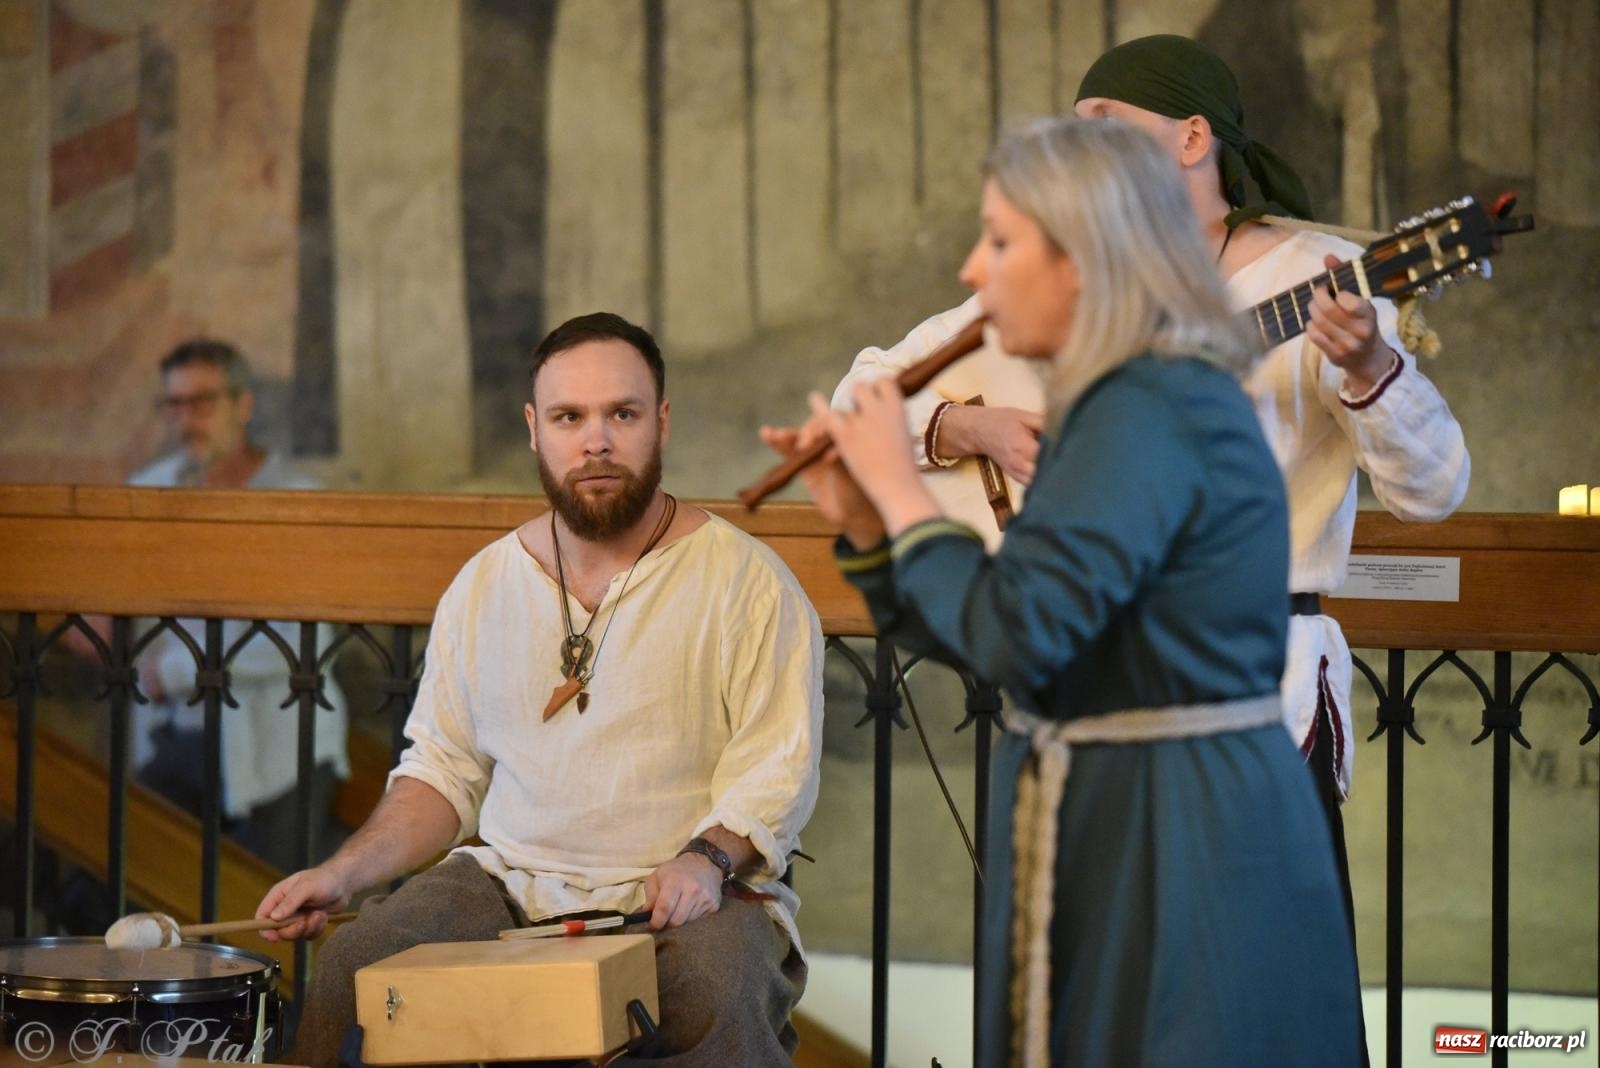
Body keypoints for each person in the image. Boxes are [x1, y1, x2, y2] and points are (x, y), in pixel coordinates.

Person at [832, 32, 1469, 953]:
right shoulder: (1065, 276)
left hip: (1250, 691)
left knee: (1249, 986)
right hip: (1083, 690)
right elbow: (864, 393)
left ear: (1192, 138)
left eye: (1108, 125)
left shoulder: (1312, 278)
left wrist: (1370, 362)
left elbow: (1435, 490)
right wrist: (975, 428)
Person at [767, 117, 1360, 1066]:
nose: (972, 269)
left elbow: (1019, 633)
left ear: (1085, 257)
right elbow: (1001, 622)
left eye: (1000, 241)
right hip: (1134, 810)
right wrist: (874, 530)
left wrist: (904, 491)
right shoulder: (1128, 399)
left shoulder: (1151, 407)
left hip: (1177, 831)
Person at [258, 313, 823, 1067]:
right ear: (535, 429)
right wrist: (340, 873)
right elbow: (441, 772)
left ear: (660, 421)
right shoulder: (486, 583)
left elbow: (773, 775)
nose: (596, 441)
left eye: (621, 414)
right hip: (509, 883)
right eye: (569, 417)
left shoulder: (747, 581)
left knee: (711, 988)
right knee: (356, 972)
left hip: (687, 892)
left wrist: (706, 862)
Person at [123, 340, 350, 871]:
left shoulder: (298, 500)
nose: (185, 420)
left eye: (201, 403)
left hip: (282, 742)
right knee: (120, 892)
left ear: (242, 405)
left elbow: (302, 644)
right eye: (173, 405)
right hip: (180, 735)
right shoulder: (150, 493)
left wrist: (173, 670)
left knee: (267, 914)